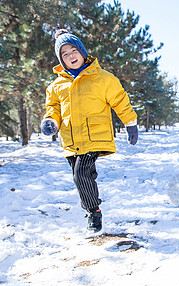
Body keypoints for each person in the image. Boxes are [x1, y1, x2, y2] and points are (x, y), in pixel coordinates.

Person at [40, 29, 139, 235]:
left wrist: (130, 122)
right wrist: (51, 121)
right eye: (64, 54)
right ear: (61, 60)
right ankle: (91, 207)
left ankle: (94, 213)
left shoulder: (102, 78)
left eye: (73, 50)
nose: (70, 56)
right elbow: (54, 109)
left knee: (81, 174)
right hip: (71, 138)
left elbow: (120, 100)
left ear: (83, 52)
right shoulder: (56, 86)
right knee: (82, 178)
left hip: (94, 136)